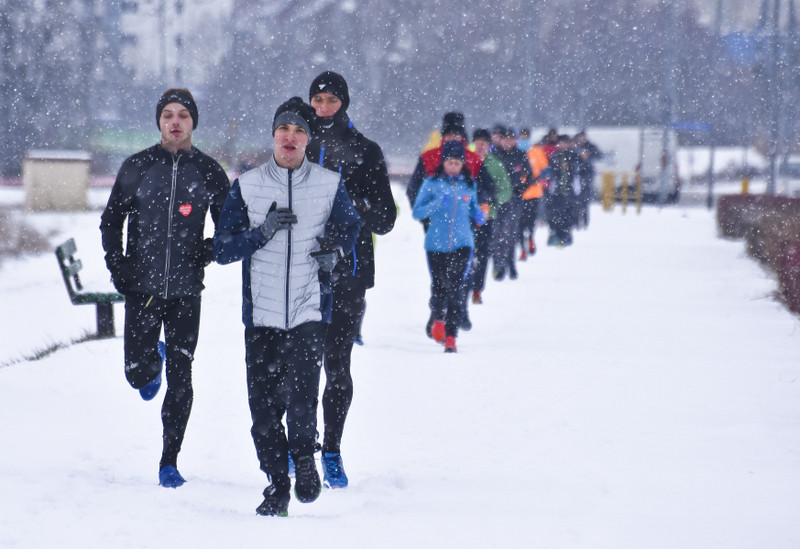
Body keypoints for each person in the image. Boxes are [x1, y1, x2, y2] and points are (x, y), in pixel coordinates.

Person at [213, 97, 361, 517]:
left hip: (309, 310)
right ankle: (277, 484)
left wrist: (333, 251)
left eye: (299, 130)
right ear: (274, 135)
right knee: (262, 413)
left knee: (301, 402)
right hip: (260, 315)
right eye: (284, 129)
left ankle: (305, 464)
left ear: (308, 139)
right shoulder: (247, 185)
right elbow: (222, 249)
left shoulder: (330, 184)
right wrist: (261, 233)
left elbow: (350, 230)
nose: (290, 136)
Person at [99, 88, 230, 488]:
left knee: (182, 377)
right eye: (168, 115)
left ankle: (169, 461)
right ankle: (146, 364)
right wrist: (118, 266)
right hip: (143, 289)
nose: (175, 122)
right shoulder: (137, 166)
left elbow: (228, 229)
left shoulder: (209, 172)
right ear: (159, 121)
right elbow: (110, 222)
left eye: (183, 116)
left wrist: (203, 253)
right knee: (137, 376)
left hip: (187, 292)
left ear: (193, 123)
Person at [305, 71, 397, 489]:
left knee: (336, 367)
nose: (324, 107)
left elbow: (388, 218)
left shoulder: (366, 150)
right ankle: (300, 446)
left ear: (345, 102)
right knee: (298, 366)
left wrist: (353, 206)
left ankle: (333, 450)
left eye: (331, 100)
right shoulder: (297, 142)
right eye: (318, 99)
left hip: (348, 273)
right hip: (302, 271)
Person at [406, 112, 493, 337]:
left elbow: (485, 188)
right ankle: (438, 313)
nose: (453, 138)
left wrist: (480, 209)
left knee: (461, 273)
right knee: (440, 276)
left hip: (465, 227)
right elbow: (414, 190)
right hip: (436, 226)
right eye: (449, 134)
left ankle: (458, 310)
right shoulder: (429, 157)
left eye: (457, 134)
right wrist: (427, 216)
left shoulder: (473, 160)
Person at [412, 140, 485, 353]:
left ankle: (452, 336)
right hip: (435, 244)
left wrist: (479, 215)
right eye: (450, 162)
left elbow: (473, 208)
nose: (453, 166)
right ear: (443, 163)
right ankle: (438, 319)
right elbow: (417, 212)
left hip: (463, 243)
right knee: (439, 286)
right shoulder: (431, 184)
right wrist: (436, 204)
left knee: (456, 288)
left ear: (463, 164)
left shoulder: (469, 185)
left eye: (457, 163)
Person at [469, 128, 510, 305]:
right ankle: (464, 286)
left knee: (483, 252)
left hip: (487, 216)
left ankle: (477, 288)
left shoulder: (495, 165)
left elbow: (506, 191)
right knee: (466, 252)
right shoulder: (465, 160)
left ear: (489, 146)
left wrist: (493, 200)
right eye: (477, 144)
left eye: (484, 144)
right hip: (465, 216)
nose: (480, 147)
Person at [491, 126, 533, 280]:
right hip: (497, 200)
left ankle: (510, 263)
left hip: (514, 201)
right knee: (496, 233)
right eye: (505, 139)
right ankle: (498, 263)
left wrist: (520, 190)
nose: (508, 142)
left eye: (511, 139)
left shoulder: (521, 156)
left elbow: (529, 175)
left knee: (510, 234)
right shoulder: (494, 155)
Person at [546, 134, 580, 247]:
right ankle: (556, 234)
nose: (563, 145)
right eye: (561, 142)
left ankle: (566, 235)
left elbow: (576, 173)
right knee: (556, 214)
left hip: (569, 190)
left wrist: (576, 189)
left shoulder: (573, 156)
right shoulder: (555, 156)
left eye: (565, 142)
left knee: (568, 214)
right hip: (557, 191)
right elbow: (552, 173)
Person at [573, 131, 602, 229]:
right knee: (577, 204)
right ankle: (577, 222)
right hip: (578, 184)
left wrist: (585, 181)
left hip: (585, 185)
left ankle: (585, 222)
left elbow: (598, 156)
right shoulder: (575, 155)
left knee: (584, 205)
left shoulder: (589, 150)